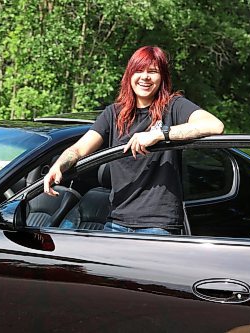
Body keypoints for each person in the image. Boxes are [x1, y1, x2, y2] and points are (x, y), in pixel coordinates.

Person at [43, 45, 224, 234]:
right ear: (129, 75)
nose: (145, 77)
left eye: (152, 71)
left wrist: (159, 134)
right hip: (116, 222)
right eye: (139, 70)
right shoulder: (113, 114)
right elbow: (79, 149)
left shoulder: (174, 106)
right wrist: (59, 166)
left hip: (158, 226)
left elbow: (214, 126)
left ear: (162, 77)